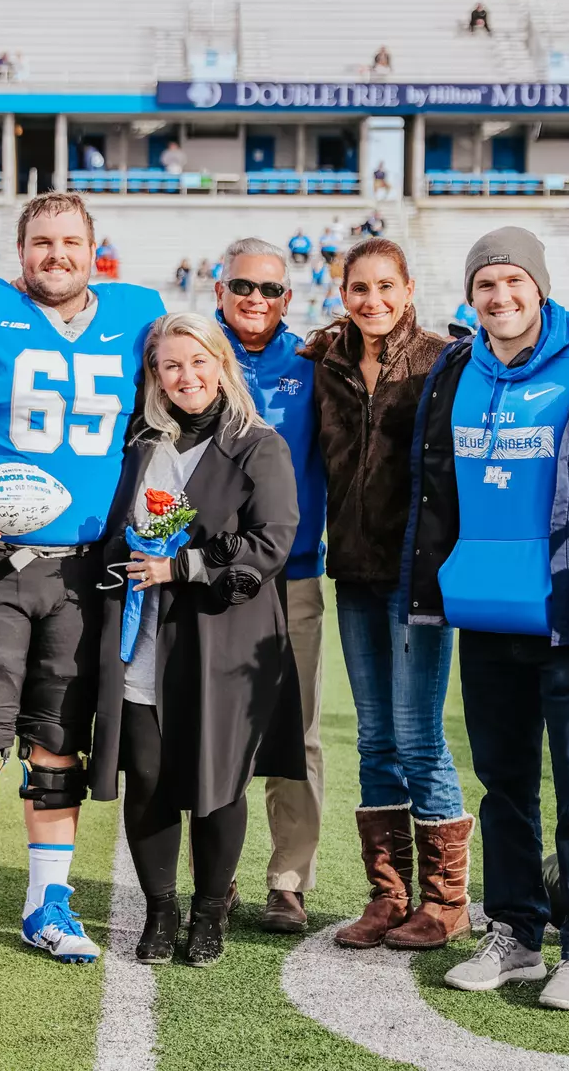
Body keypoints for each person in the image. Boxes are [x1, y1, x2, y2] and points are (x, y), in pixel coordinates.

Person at [0, 193, 166, 976]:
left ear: (94, 249)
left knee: (59, 742)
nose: (57, 254)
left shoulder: (137, 317)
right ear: (19, 252)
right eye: (42, 242)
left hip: (86, 570)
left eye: (71, 242)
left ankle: (46, 903)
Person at [403, 227, 569, 1010]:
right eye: (485, 285)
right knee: (502, 787)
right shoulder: (454, 369)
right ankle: (516, 936)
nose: (500, 298)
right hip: (485, 612)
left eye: (513, 282)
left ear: (539, 286)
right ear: (471, 296)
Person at [88, 311, 302, 967]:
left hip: (223, 640)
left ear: (222, 366)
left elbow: (273, 541)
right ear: (155, 375)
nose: (186, 376)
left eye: (199, 362)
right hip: (144, 638)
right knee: (148, 778)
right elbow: (114, 528)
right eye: (170, 365)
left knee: (217, 781)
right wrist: (125, 555)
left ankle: (210, 912)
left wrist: (182, 565)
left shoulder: (258, 443)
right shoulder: (140, 441)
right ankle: (160, 910)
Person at [301, 238, 471, 953]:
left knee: (418, 735)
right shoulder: (325, 362)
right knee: (374, 737)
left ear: (407, 289)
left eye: (384, 287)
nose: (371, 301)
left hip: (419, 574)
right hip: (354, 572)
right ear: (343, 294)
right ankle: (388, 895)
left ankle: (447, 900)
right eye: (358, 289)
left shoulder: (443, 359)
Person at [212, 239, 327, 933]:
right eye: (243, 287)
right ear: (220, 289)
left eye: (271, 290)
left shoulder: (314, 363)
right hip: (210, 577)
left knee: (299, 733)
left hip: (295, 574)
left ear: (290, 297)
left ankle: (289, 879)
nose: (256, 299)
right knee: (213, 728)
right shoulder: (191, 352)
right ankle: (215, 872)